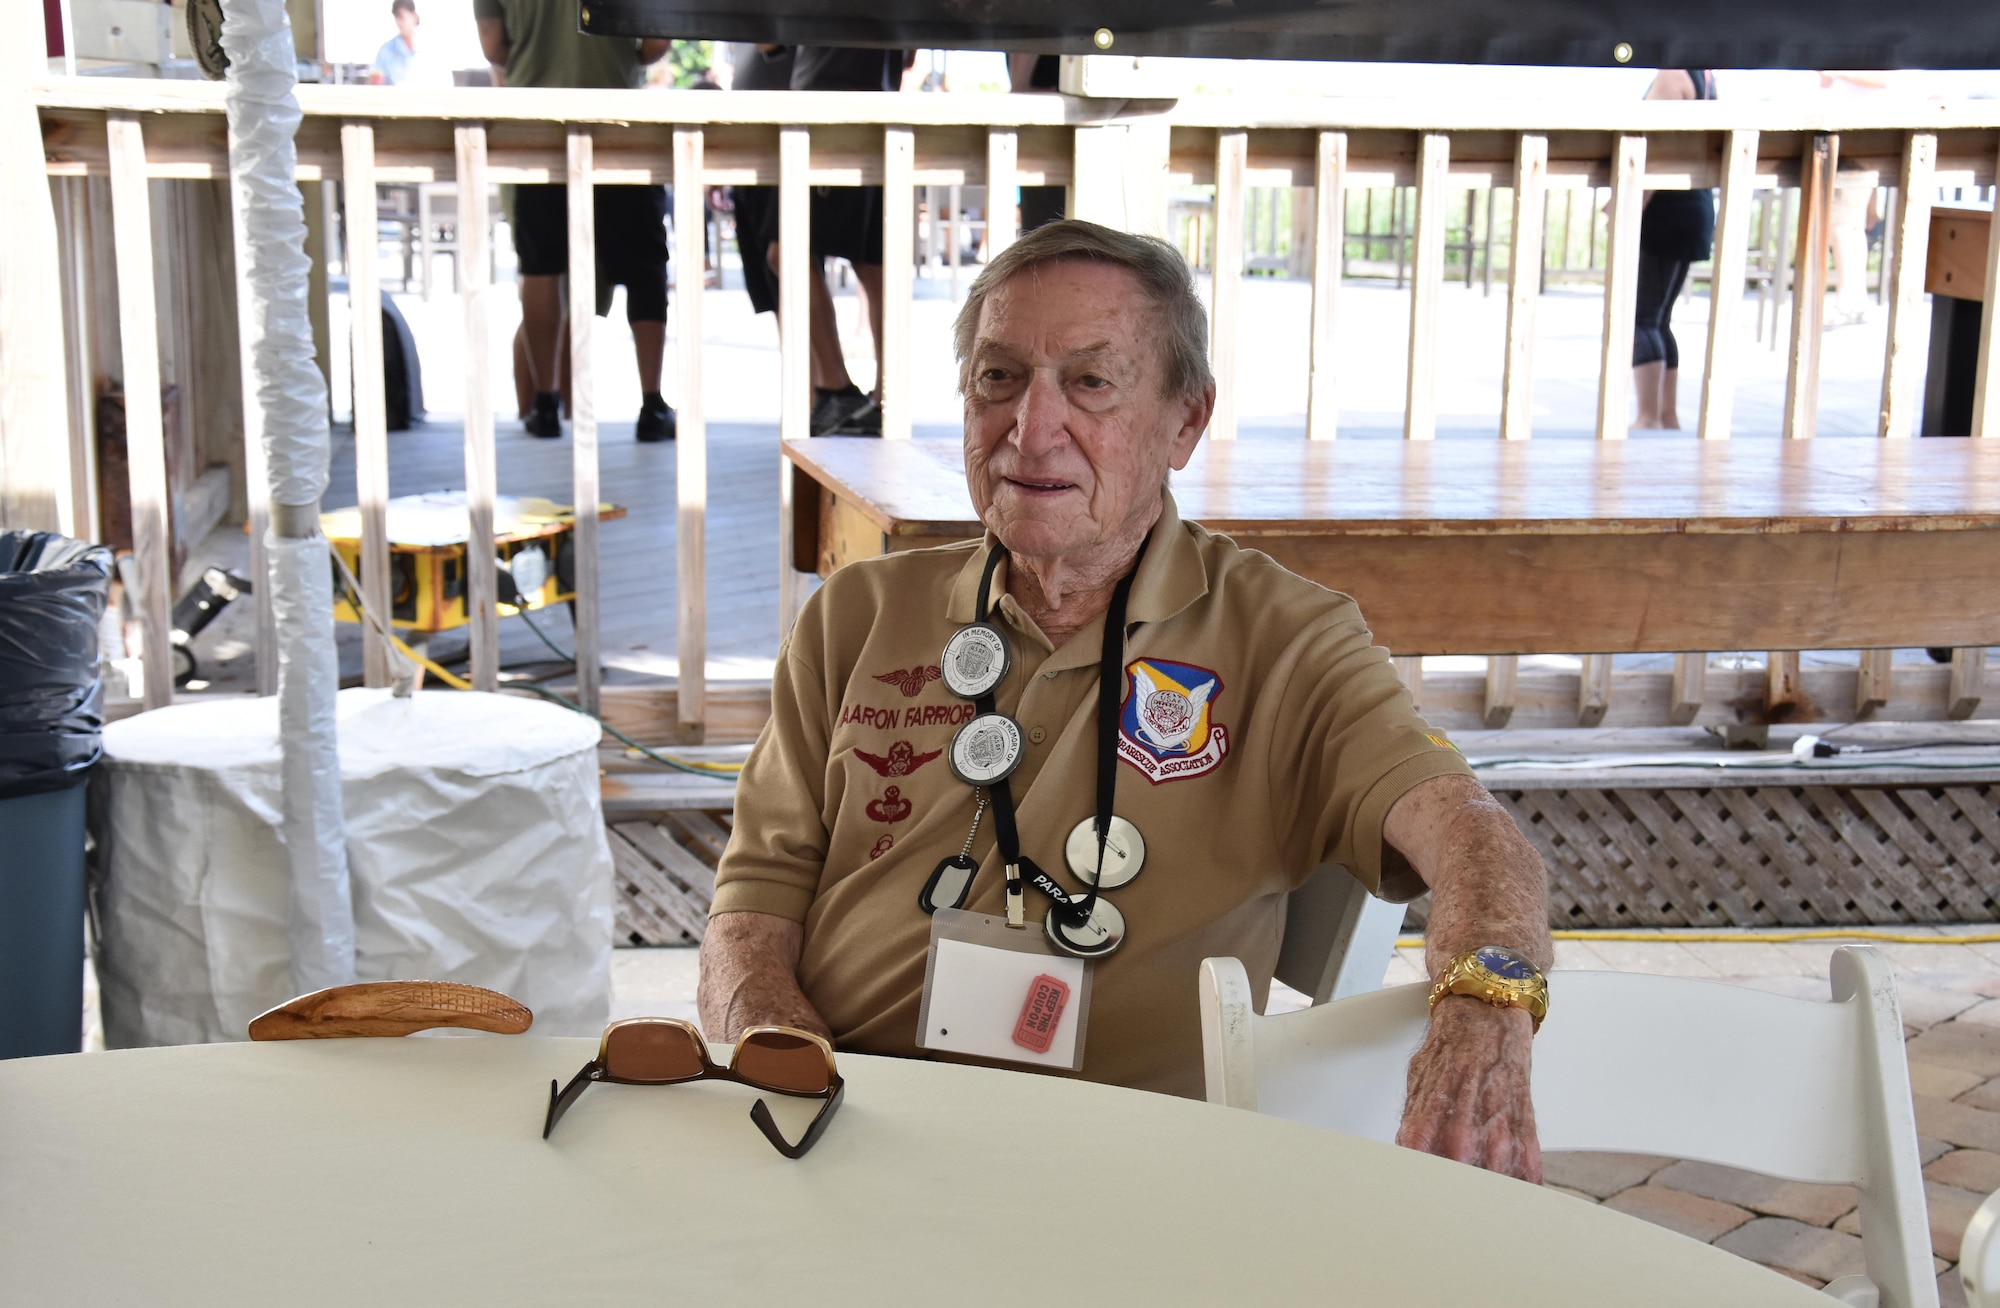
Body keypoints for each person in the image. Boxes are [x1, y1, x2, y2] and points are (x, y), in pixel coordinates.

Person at [698, 219, 1553, 1182]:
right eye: (998, 377)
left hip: (1120, 1171)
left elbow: (1470, 832)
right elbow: (751, 914)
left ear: (1185, 421)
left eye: (1090, 383)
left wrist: (1486, 1002)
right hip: (843, 1128)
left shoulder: (1284, 637)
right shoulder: (860, 611)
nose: (1030, 427)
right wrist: (779, 1060)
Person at [474, 0, 677, 442]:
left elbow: (493, 46)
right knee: (645, 265)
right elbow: (657, 40)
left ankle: (545, 403)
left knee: (541, 266)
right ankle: (652, 403)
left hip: (536, 120)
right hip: (616, 118)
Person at [780, 47, 914, 437]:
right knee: (872, 264)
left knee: (786, 252)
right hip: (872, 107)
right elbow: (907, 56)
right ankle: (881, 397)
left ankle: (841, 390)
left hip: (828, 110)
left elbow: (768, 43)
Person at [1631, 68, 1716, 430]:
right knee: (1659, 318)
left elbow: (1655, 150)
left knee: (1642, 318)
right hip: (1694, 204)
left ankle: (1648, 416)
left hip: (1667, 208)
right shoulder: (1705, 77)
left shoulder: (1671, 76)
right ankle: (1667, 415)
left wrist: (1628, 206)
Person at [369, 0, 451, 89]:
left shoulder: (433, 50)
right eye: (396, 17)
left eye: (402, 17)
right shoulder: (385, 51)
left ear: (414, 16)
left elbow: (446, 86)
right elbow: (375, 88)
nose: (399, 23)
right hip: (395, 102)